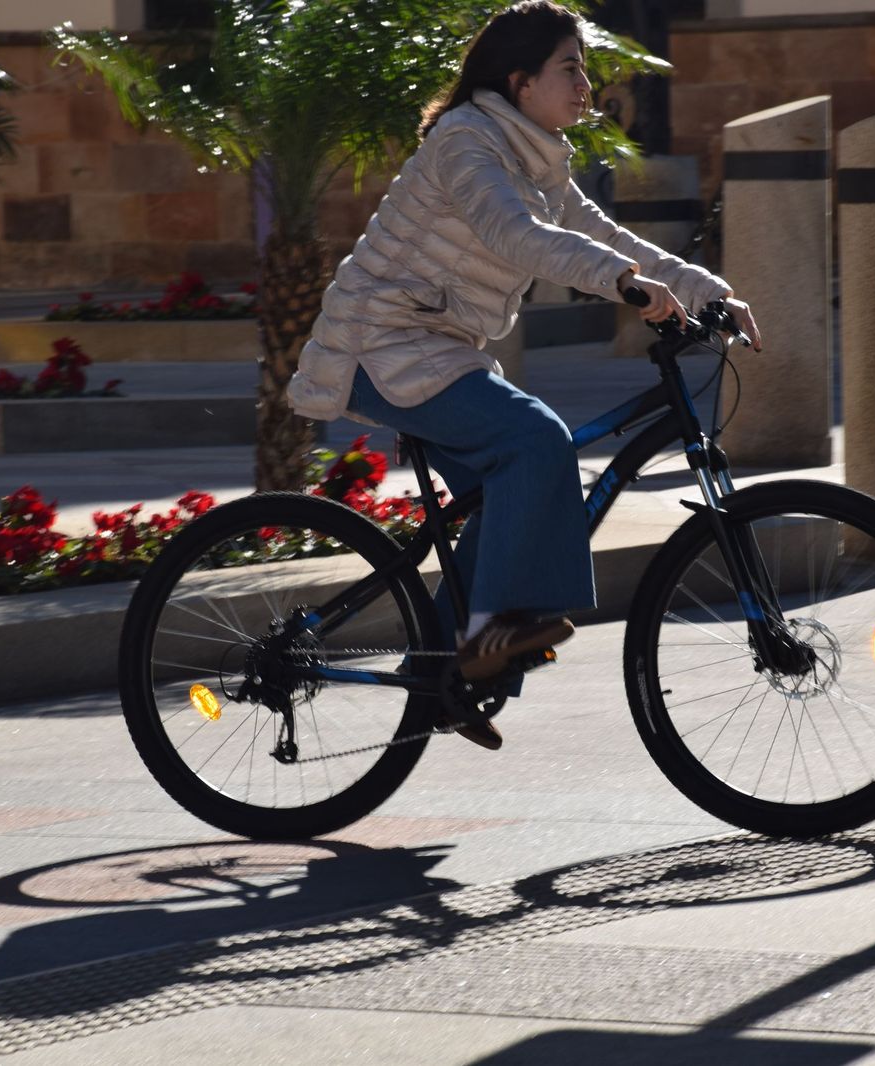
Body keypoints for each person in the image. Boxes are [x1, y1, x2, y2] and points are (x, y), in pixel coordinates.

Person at [287, 0, 762, 749]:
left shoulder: (535, 155)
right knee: (535, 440)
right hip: (381, 344)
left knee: (512, 480)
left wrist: (707, 291)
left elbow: (606, 235)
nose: (587, 86)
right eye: (569, 69)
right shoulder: (465, 142)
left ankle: (443, 667)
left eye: (586, 69)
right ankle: (487, 636)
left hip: (435, 349)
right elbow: (516, 233)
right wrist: (626, 286)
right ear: (519, 81)